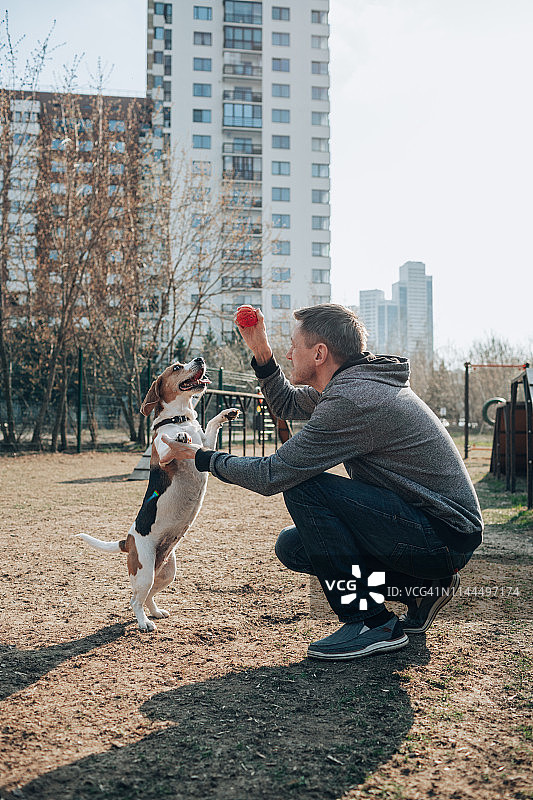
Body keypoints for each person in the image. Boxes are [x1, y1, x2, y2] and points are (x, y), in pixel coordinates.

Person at [160, 304, 483, 660]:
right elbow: (284, 403)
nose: (288, 353)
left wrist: (202, 457)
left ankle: (370, 622)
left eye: (293, 346)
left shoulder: (353, 399)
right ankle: (420, 590)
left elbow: (273, 475)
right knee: (294, 546)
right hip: (431, 532)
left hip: (440, 537)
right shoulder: (350, 384)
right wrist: (261, 353)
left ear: (319, 353)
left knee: (302, 484)